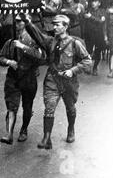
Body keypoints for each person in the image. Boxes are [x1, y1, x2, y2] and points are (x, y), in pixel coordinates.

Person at [21, 14, 92, 149]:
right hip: (52, 79)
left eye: (57, 25)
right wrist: (27, 22)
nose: (54, 27)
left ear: (65, 27)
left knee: (70, 107)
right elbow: (37, 35)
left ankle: (71, 129)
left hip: (69, 82)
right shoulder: (50, 42)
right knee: (49, 108)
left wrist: (73, 71)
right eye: (53, 24)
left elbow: (87, 61)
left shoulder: (75, 43)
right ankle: (46, 138)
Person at [0, 14, 46, 144]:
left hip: (28, 77)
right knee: (11, 106)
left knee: (27, 106)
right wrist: (9, 62)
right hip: (13, 77)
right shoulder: (11, 41)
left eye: (19, 21)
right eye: (15, 21)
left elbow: (41, 57)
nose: (16, 24)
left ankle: (24, 129)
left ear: (26, 22)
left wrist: (23, 47)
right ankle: (9, 134)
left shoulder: (34, 40)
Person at [83, 0, 107, 76]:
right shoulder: (88, 10)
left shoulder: (102, 11)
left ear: (99, 3)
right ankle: (88, 67)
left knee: (97, 52)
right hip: (89, 34)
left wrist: (91, 17)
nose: (93, 3)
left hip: (98, 35)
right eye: (93, 1)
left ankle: (95, 67)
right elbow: (84, 21)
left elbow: (101, 21)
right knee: (88, 51)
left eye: (96, 1)